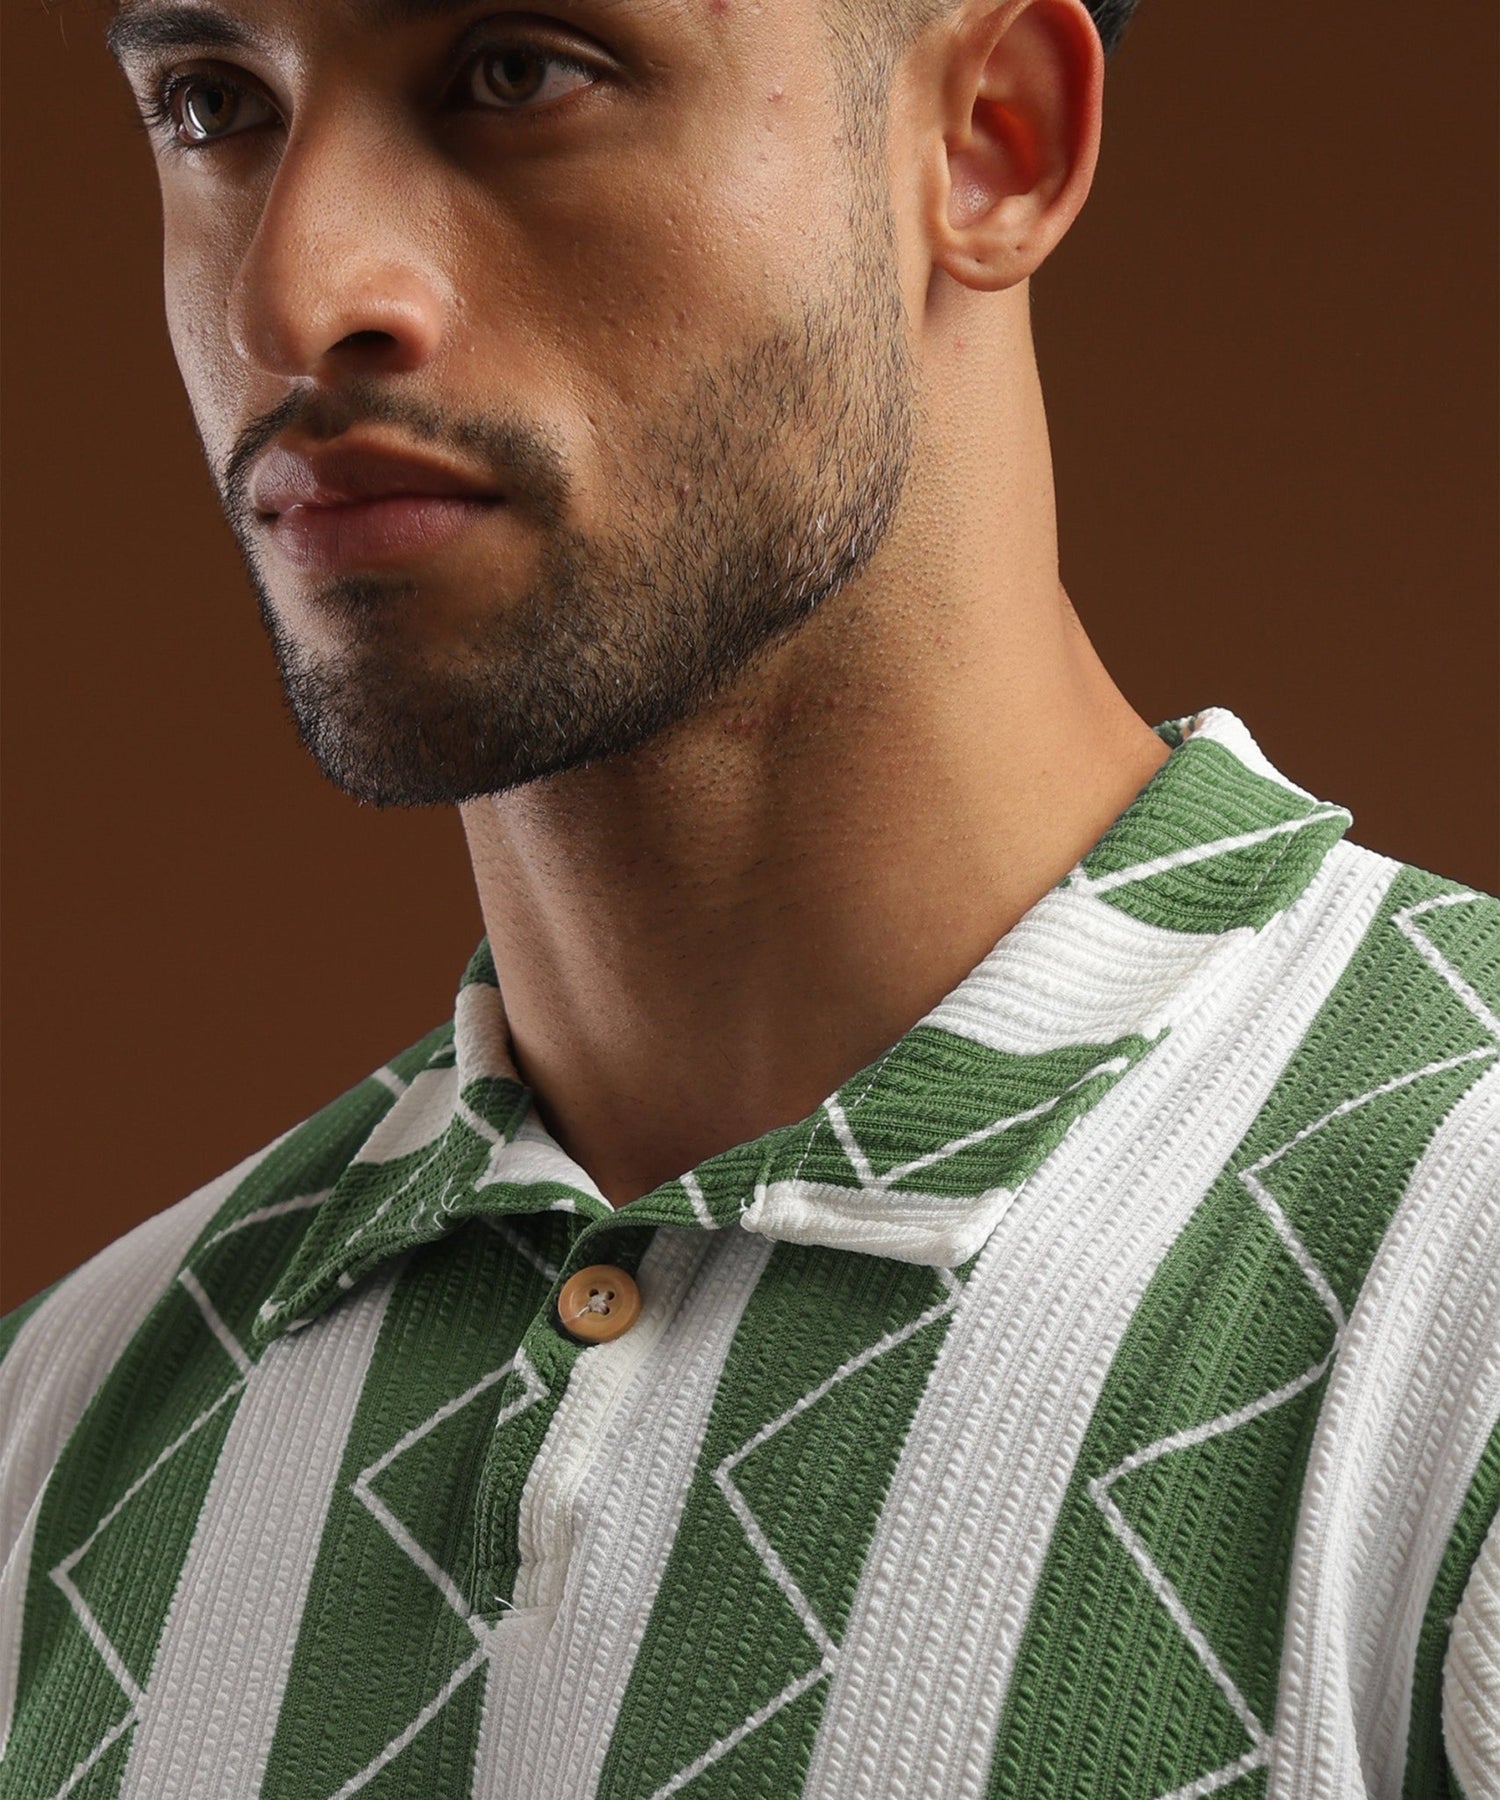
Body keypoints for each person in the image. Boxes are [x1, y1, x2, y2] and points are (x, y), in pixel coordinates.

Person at [2, 0, 1495, 1792]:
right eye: (211, 101)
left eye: (517, 72)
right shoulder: (51, 1436)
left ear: (991, 140)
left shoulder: (1464, 1287)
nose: (295, 297)